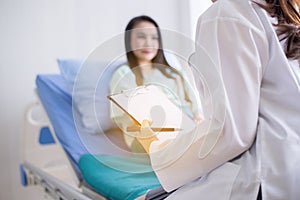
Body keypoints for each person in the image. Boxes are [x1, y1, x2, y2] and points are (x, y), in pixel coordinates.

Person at [137, 0, 300, 199]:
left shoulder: (227, 12)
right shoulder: (285, 14)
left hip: (261, 176)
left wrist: (163, 153)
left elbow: (230, 133)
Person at [109, 15, 202, 152]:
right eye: (141, 37)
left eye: (154, 38)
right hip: (148, 138)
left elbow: (196, 113)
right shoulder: (123, 74)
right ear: (129, 41)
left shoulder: (174, 75)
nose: (148, 43)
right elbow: (124, 118)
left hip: (187, 133)